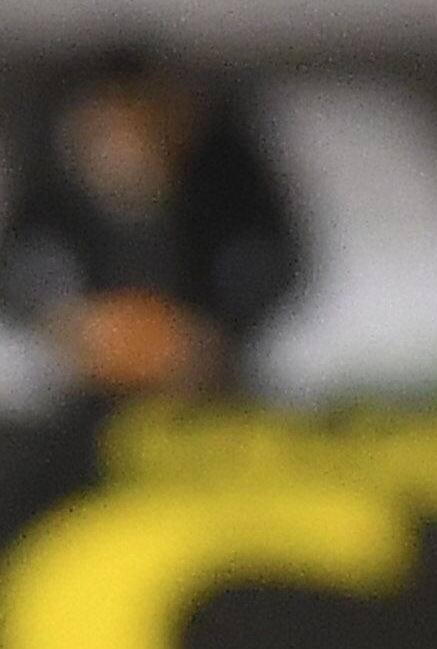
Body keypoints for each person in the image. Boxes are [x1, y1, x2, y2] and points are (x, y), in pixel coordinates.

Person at [0, 37, 310, 404]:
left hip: (207, 386)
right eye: (108, 133)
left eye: (140, 128)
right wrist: (64, 322)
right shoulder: (49, 180)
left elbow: (275, 261)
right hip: (87, 389)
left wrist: (221, 328)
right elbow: (20, 268)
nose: (125, 148)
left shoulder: (226, 175)